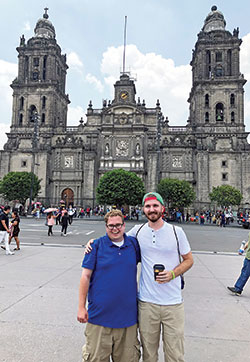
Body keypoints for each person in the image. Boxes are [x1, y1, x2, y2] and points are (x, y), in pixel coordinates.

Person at [86, 192, 194, 362]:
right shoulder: (138, 231)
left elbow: (189, 260)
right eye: (148, 206)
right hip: (146, 303)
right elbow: (116, 235)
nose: (152, 209)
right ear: (143, 209)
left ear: (162, 208)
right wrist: (94, 242)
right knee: (149, 354)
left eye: (155, 206)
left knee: (175, 354)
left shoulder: (176, 231)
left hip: (173, 303)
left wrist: (173, 274)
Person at [77, 209, 141, 362]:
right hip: (99, 318)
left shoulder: (133, 244)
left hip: (128, 319)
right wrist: (81, 307)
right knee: (96, 358)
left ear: (124, 225)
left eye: (118, 225)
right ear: (106, 227)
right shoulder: (96, 246)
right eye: (111, 225)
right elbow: (85, 277)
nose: (115, 228)